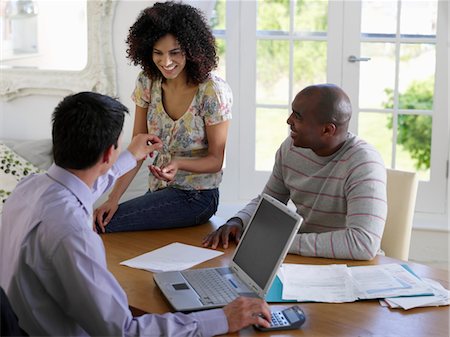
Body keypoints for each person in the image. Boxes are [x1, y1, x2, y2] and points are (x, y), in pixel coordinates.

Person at [0, 92, 271, 336]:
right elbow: (124, 332)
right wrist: (221, 319)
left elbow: (81, 188)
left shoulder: (30, 188)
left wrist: (130, 155)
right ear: (108, 154)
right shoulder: (73, 235)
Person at [203, 84, 387, 261]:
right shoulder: (291, 148)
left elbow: (363, 244)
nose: (289, 120)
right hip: (303, 262)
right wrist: (237, 221)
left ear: (327, 130)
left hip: (352, 268)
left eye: (298, 116)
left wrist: (281, 242)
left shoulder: (364, 163)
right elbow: (269, 202)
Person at [94, 1, 232, 233]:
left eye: (175, 53)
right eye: (158, 53)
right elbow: (137, 150)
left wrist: (179, 164)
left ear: (191, 48)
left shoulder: (212, 91)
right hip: (159, 191)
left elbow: (216, 160)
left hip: (197, 197)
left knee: (104, 225)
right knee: (102, 217)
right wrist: (113, 197)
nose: (166, 62)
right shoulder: (147, 81)